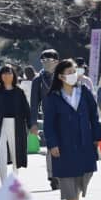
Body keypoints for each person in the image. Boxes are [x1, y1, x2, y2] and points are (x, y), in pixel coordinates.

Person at [43, 59, 101, 200]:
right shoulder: (53, 97)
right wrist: (52, 143)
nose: (73, 75)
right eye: (69, 72)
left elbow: (94, 115)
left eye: (74, 71)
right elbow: (49, 124)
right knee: (67, 174)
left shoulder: (84, 92)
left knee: (85, 171)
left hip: (84, 139)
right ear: (61, 77)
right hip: (64, 142)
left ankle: (75, 196)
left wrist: (97, 135)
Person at [0, 64, 32, 184]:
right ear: (0, 76)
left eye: (10, 73)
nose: (7, 76)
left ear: (14, 75)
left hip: (17, 126)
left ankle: (15, 180)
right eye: (4, 73)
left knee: (15, 152)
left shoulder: (19, 92)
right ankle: (4, 182)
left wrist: (31, 125)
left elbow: (27, 110)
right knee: (1, 153)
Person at [30, 49, 61, 190]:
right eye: (44, 61)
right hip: (48, 117)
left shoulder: (63, 76)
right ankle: (53, 176)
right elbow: (34, 103)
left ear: (57, 61)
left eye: (50, 60)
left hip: (64, 117)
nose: (47, 63)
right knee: (51, 147)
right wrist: (34, 123)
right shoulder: (38, 80)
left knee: (63, 146)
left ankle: (62, 173)